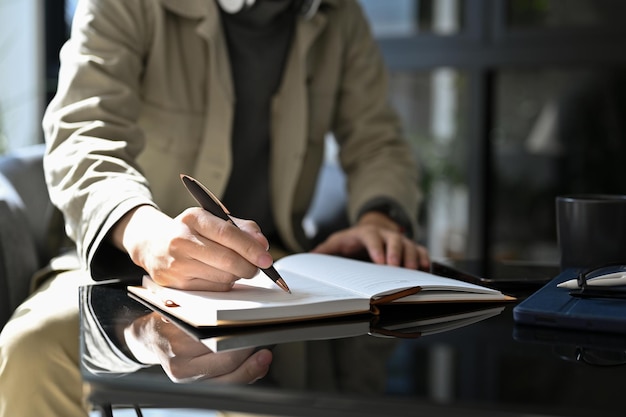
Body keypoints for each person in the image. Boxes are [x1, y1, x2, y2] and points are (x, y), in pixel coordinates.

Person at [0, 0, 430, 416]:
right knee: (33, 350)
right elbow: (82, 135)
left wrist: (378, 217)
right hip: (125, 253)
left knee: (296, 397)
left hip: (269, 269)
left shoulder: (341, 16)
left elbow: (377, 141)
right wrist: (145, 234)